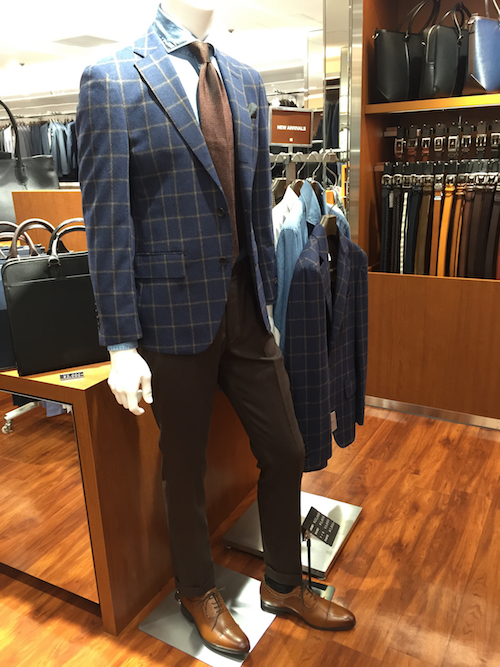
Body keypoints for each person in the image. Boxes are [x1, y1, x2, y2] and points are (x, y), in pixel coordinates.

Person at [76, 0, 355, 658]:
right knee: (185, 465)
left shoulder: (245, 80)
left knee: (285, 446)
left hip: (245, 305)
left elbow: (256, 208)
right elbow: (108, 221)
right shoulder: (112, 78)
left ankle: (283, 583)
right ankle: (195, 588)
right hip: (170, 313)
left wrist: (268, 304)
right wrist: (120, 342)